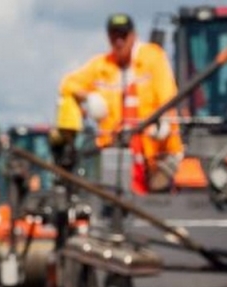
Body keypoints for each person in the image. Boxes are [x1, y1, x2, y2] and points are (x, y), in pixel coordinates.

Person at [57, 13, 184, 194]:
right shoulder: (101, 66)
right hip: (116, 155)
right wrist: (88, 97)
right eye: (114, 36)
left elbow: (167, 94)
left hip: (156, 154)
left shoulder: (153, 58)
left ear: (133, 35)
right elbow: (67, 84)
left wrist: (164, 121)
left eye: (123, 36)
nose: (119, 42)